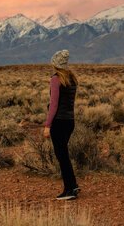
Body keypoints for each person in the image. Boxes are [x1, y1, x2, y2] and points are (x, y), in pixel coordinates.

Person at [43, 49, 81, 200]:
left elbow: (54, 105)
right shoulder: (72, 78)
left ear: (55, 64)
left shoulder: (56, 79)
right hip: (69, 121)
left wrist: (48, 125)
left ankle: (69, 190)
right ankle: (73, 185)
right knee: (64, 155)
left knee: (62, 156)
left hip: (58, 123)